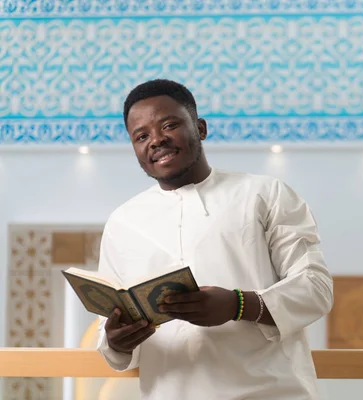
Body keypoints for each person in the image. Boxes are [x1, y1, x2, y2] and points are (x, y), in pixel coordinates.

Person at [96, 79, 334, 399]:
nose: (156, 140)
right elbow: (111, 339)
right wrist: (116, 341)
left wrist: (239, 305)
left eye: (169, 125)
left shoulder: (265, 194)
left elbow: (315, 288)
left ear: (201, 128)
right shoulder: (122, 223)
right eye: (141, 136)